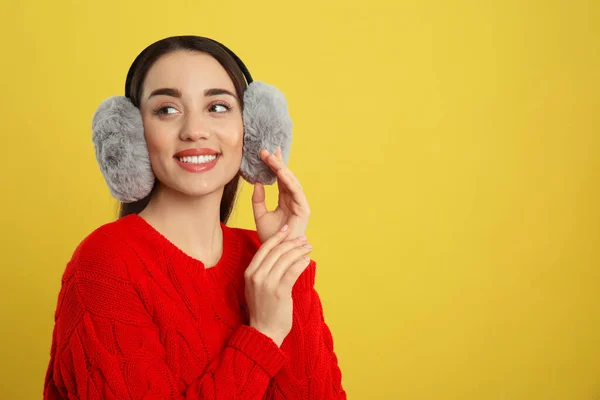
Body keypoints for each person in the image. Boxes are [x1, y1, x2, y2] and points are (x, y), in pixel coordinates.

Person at [43, 36, 346, 399]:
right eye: (167, 110)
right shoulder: (105, 264)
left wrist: (284, 254)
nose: (194, 131)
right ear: (132, 136)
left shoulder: (259, 252)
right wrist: (261, 336)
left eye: (217, 107)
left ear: (252, 133)